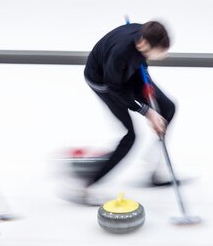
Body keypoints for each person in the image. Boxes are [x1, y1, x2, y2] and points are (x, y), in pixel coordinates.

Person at [74, 21, 177, 205]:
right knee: (131, 136)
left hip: (127, 72)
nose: (165, 54)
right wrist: (147, 112)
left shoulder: (143, 34)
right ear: (143, 45)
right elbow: (115, 89)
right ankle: (86, 187)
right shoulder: (121, 53)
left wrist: (146, 84)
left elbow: (140, 63)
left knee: (168, 107)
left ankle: (153, 170)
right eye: (161, 51)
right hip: (104, 82)